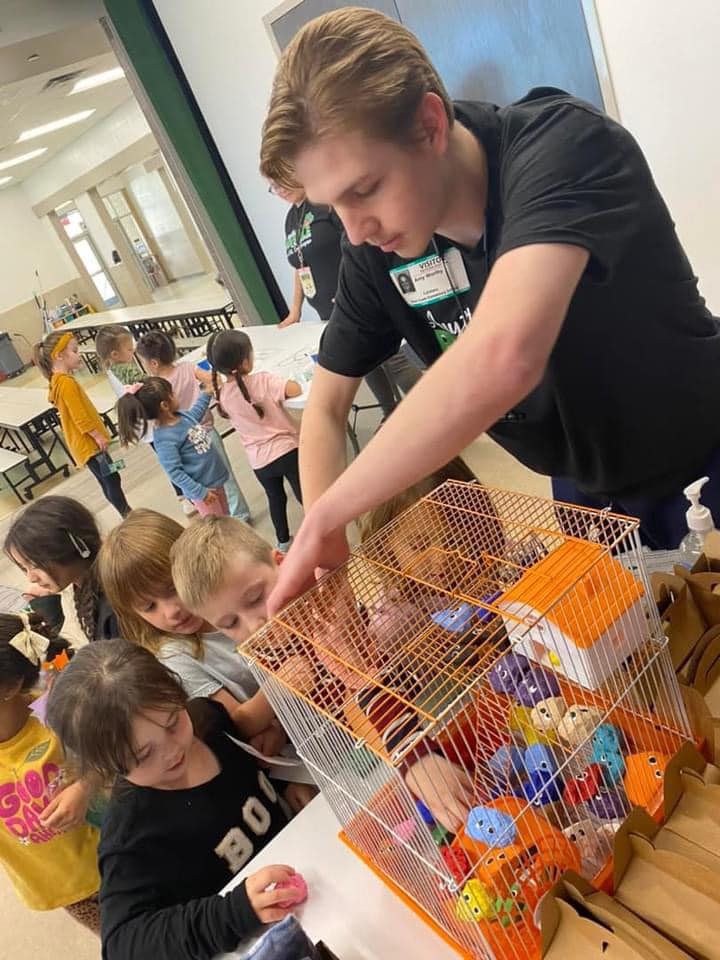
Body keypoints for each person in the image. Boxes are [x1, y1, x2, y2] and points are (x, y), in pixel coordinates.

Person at [259, 8, 720, 613]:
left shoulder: (565, 146)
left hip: (700, 454)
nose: (355, 228)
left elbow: (505, 356)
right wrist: (328, 555)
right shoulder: (374, 248)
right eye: (330, 205)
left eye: (364, 189)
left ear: (429, 125)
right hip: (587, 497)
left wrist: (332, 510)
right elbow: (326, 405)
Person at [170, 516, 471, 830]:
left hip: (413, 718)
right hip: (362, 758)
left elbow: (359, 687)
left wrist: (411, 755)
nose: (254, 625)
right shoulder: (263, 647)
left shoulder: (322, 609)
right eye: (230, 624)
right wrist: (279, 723)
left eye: (257, 598)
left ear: (282, 563)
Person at [46, 639, 300, 960]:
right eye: (142, 755)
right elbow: (122, 946)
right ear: (108, 767)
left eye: (172, 723)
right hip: (262, 939)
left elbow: (249, 755)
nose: (172, 752)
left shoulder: (207, 721)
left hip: (309, 873)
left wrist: (287, 783)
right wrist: (233, 911)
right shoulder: (131, 835)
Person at [97, 508, 284, 751]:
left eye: (172, 588)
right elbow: (235, 724)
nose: (171, 611)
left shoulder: (235, 593)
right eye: (149, 606)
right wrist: (282, 685)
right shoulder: (176, 657)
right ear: (134, 614)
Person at [273, 182, 421, 420]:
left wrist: (349, 285)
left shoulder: (325, 206)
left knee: (394, 360)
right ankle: (392, 413)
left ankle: (432, 414)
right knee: (362, 362)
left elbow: (355, 247)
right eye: (272, 188)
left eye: (280, 182)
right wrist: (295, 310)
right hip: (326, 307)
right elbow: (300, 266)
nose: (279, 190)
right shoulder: (292, 218)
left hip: (355, 297)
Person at [0, 611, 100, 932]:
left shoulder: (50, 712)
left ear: (12, 686)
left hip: (121, 852)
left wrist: (85, 786)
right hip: (69, 891)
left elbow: (116, 752)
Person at [136, 330, 251, 521]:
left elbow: (189, 418)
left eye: (143, 362)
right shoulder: (187, 368)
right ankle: (238, 515)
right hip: (204, 431)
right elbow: (213, 380)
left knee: (217, 480)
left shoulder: (157, 389)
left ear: (153, 363)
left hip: (194, 438)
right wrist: (208, 391)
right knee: (224, 480)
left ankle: (236, 518)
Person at [207, 329, 302, 551]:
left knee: (276, 499)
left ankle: (283, 541)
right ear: (245, 361)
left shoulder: (222, 395)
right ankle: (322, 527)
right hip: (286, 450)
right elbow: (294, 389)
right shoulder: (262, 381)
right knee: (303, 492)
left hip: (259, 462)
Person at [96, 325, 194, 516]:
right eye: (129, 350)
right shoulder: (124, 370)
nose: (133, 352)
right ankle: (184, 496)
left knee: (169, 458)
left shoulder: (114, 369)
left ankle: (185, 494)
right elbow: (148, 385)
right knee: (171, 460)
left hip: (146, 426)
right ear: (115, 354)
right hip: (151, 426)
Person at [33, 331, 130, 518]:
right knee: (111, 478)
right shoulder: (66, 383)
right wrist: (97, 436)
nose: (80, 354)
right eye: (75, 351)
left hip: (83, 445)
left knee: (107, 478)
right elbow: (79, 416)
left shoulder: (56, 381)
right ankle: (127, 514)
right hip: (90, 443)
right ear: (59, 356)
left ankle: (125, 512)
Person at [4, 496, 119, 644]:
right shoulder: (81, 587)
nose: (31, 578)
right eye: (23, 568)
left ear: (70, 548)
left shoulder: (116, 603)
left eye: (34, 564)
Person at [117, 377, 229, 517]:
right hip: (204, 490)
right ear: (164, 405)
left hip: (214, 480)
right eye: (172, 393)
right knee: (218, 527)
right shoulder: (164, 439)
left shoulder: (180, 417)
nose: (176, 395)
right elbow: (174, 472)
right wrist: (200, 492)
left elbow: (194, 415)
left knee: (226, 518)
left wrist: (206, 394)